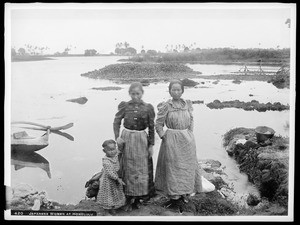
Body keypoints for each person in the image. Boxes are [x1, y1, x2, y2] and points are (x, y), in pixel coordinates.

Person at [154, 80, 202, 209]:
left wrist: (190, 133)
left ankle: (185, 192)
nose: (176, 92)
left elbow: (191, 119)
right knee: (173, 168)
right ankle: (174, 196)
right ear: (169, 91)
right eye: (173, 90)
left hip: (186, 140)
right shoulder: (166, 106)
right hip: (171, 140)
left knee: (186, 167)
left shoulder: (187, 104)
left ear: (182, 91)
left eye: (178, 90)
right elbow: (158, 123)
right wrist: (163, 135)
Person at [113, 82, 155, 211]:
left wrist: (151, 145)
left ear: (142, 93)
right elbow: (116, 122)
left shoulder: (148, 108)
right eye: (133, 94)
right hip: (127, 139)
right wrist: (117, 138)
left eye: (138, 93)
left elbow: (152, 127)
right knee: (127, 166)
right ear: (129, 94)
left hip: (141, 139)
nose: (135, 96)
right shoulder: (125, 106)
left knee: (141, 167)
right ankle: (127, 195)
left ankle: (139, 196)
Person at [97, 139, 126, 215]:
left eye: (114, 149)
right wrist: (118, 179)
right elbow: (110, 173)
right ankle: (108, 208)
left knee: (116, 193)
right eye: (109, 150)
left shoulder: (116, 154)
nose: (112, 151)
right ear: (104, 151)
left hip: (116, 178)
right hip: (109, 181)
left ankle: (115, 206)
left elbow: (120, 151)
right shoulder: (106, 161)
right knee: (109, 194)